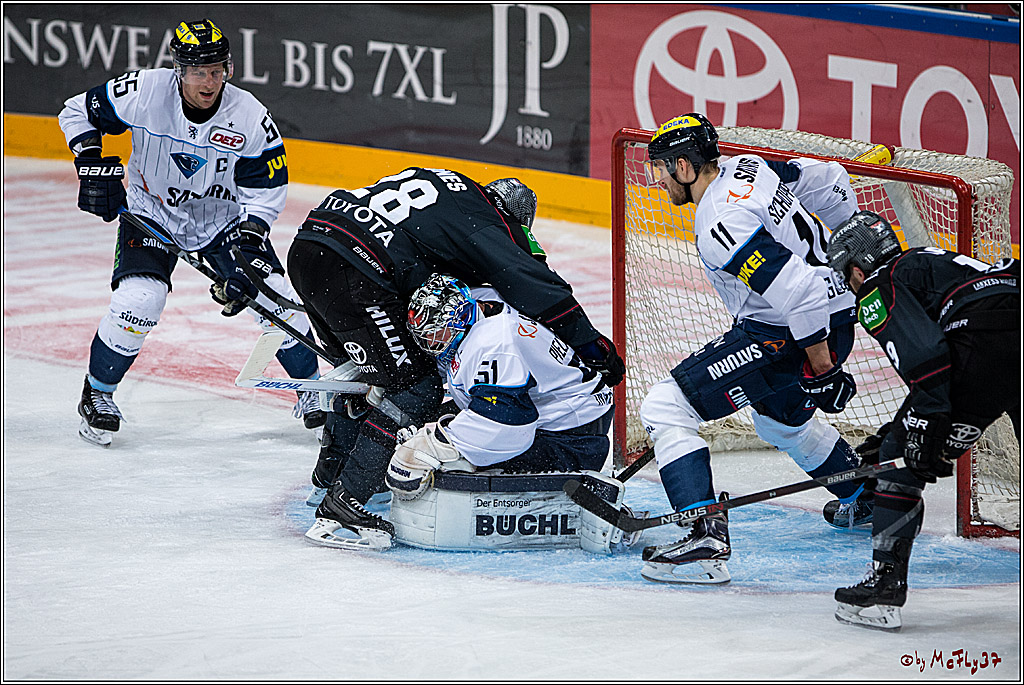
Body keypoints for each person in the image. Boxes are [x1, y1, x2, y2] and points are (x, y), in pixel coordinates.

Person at [288, 169, 623, 549]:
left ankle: (331, 482)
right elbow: (526, 275)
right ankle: (344, 501)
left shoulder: (458, 205)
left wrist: (433, 442)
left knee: (385, 383)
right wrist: (592, 344)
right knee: (411, 389)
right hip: (356, 267)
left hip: (311, 246)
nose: (428, 337)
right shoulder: (480, 232)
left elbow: (507, 420)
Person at [59, 18, 324, 447]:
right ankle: (97, 393)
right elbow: (77, 111)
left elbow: (266, 188)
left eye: (217, 70)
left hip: (223, 223)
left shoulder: (249, 116)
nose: (210, 82)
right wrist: (89, 159)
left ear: (229, 69)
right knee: (140, 300)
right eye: (199, 72)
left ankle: (311, 389)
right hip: (151, 214)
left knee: (273, 297)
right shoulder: (144, 91)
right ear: (179, 71)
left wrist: (250, 241)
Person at [636, 113, 867, 584]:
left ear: (685, 167)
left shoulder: (722, 223)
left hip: (791, 335)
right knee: (779, 422)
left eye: (661, 168)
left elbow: (801, 294)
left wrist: (822, 371)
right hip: (836, 317)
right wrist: (848, 255)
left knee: (666, 406)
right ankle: (866, 496)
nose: (657, 180)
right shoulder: (749, 166)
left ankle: (703, 540)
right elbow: (830, 180)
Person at [827, 210, 1020, 631]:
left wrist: (914, 430)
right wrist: (902, 423)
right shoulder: (926, 260)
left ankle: (883, 588)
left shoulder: (877, 285)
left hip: (984, 344)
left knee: (900, 457)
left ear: (856, 269)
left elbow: (925, 356)